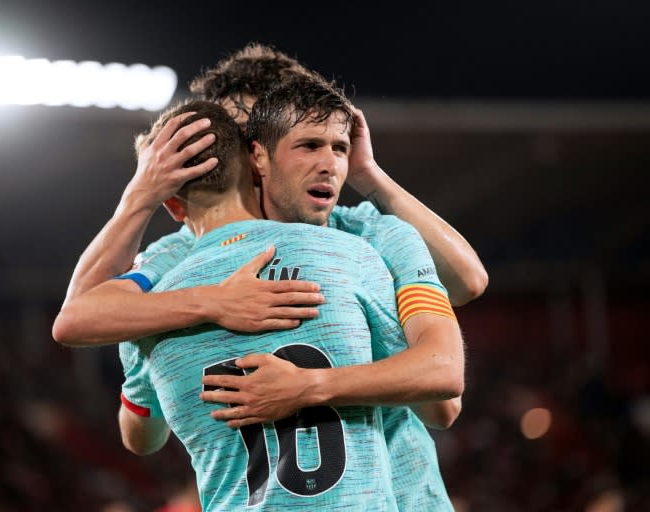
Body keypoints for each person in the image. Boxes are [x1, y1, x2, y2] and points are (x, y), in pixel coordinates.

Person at [53, 43, 480, 510]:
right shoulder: (184, 254)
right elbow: (77, 317)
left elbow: (467, 288)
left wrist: (369, 175)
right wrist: (212, 296)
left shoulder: (360, 231)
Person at [117, 92, 405, 510]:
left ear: (173, 205)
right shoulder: (348, 254)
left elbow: (141, 439)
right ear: (254, 167)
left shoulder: (143, 312)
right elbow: (437, 397)